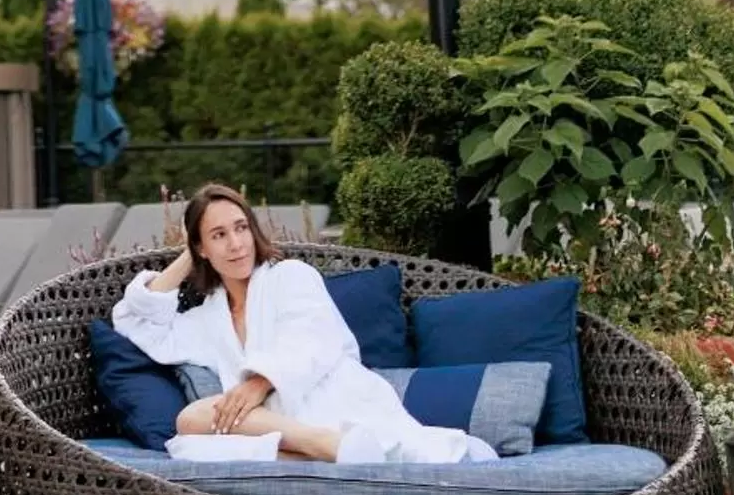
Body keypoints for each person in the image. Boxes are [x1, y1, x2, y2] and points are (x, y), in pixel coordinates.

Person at [112, 182, 496, 466]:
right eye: (218, 235)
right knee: (188, 424)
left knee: (200, 440)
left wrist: (258, 384)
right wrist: (188, 256)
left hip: (328, 400)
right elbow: (136, 320)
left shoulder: (290, 276)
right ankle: (323, 448)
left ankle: (324, 447)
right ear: (202, 248)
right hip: (276, 426)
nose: (236, 244)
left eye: (241, 227)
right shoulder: (207, 318)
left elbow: (312, 341)